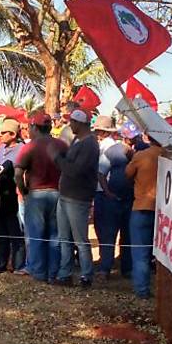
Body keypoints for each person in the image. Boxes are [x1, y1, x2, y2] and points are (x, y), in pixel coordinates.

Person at [15, 112, 65, 283]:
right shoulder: (61, 145)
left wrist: (23, 190)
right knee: (55, 236)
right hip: (57, 194)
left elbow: (18, 172)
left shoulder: (30, 147)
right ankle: (53, 273)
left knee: (35, 236)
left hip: (36, 194)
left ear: (34, 127)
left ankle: (38, 274)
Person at [54, 109, 99, 287]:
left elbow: (76, 170)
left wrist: (58, 160)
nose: (69, 125)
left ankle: (86, 275)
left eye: (72, 122)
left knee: (80, 239)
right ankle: (65, 273)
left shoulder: (89, 144)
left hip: (78, 196)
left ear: (79, 123)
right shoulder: (77, 140)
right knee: (64, 237)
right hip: (66, 194)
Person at [92, 115, 132, 279]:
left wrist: (107, 192)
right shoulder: (123, 149)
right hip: (125, 196)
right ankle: (126, 267)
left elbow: (101, 173)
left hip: (106, 196)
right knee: (126, 234)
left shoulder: (107, 149)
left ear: (101, 132)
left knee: (107, 233)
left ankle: (105, 268)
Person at [125, 133, 162, 298]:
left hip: (142, 207)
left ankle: (142, 290)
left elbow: (127, 174)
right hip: (165, 212)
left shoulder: (141, 156)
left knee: (140, 253)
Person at [0, 116, 25, 273]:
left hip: (13, 195)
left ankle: (18, 265)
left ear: (13, 134)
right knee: (1, 233)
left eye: (4, 132)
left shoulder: (21, 149)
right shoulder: (0, 149)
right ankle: (1, 264)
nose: (0, 135)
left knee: (15, 233)